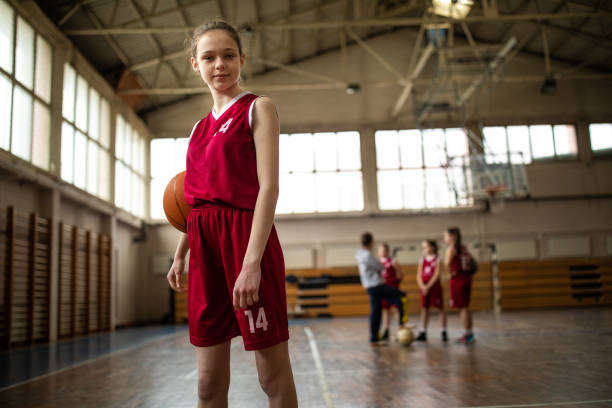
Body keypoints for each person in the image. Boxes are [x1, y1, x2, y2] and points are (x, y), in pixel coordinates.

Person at [166, 21, 298, 407]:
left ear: (242, 59)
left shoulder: (259, 107)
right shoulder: (197, 129)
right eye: (209, 57)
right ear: (195, 64)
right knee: (207, 384)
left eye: (228, 55)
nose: (219, 65)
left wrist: (251, 262)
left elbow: (269, 188)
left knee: (271, 376)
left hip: (245, 240)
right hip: (203, 245)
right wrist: (181, 253)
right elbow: (194, 198)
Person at [356, 232, 408, 345]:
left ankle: (374, 338)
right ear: (371, 242)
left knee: (376, 311)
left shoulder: (360, 254)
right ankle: (402, 323)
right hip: (376, 285)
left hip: (370, 286)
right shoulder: (367, 255)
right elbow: (380, 266)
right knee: (401, 295)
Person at [444, 227, 475, 344]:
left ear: (452, 237)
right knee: (466, 307)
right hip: (467, 278)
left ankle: (467, 334)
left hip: (458, 279)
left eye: (446, 236)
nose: (445, 238)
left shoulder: (451, 249)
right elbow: (473, 262)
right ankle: (470, 333)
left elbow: (446, 264)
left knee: (463, 308)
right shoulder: (463, 248)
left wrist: (449, 275)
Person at [415, 240, 447, 342]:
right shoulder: (422, 260)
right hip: (424, 287)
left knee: (440, 309)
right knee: (424, 309)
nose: (424, 249)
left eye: (426, 247)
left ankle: (443, 331)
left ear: (432, 247)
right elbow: (418, 275)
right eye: (423, 248)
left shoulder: (437, 260)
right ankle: (423, 331)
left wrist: (428, 287)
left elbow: (436, 275)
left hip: (434, 287)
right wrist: (422, 286)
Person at [378, 243, 403, 341]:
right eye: (380, 250)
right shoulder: (378, 262)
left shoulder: (393, 261)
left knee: (397, 309)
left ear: (387, 251)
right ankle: (386, 330)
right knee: (385, 310)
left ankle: (400, 330)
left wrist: (396, 283)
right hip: (383, 289)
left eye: (384, 250)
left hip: (392, 289)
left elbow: (401, 274)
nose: (382, 252)